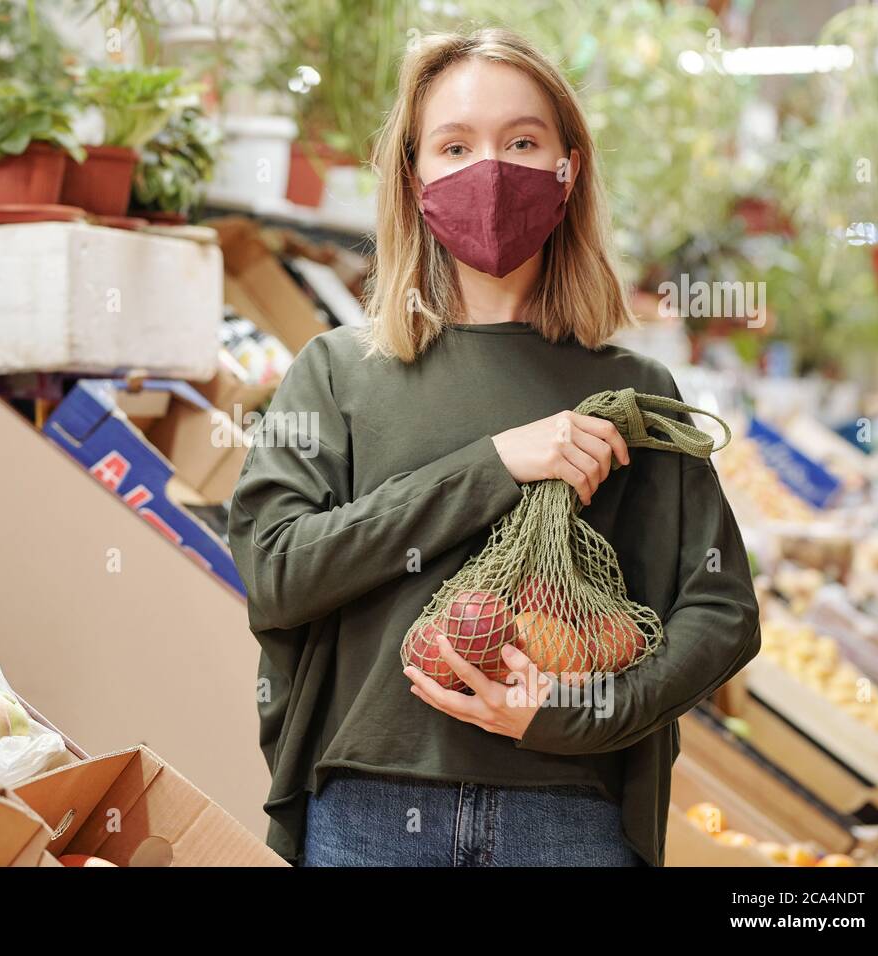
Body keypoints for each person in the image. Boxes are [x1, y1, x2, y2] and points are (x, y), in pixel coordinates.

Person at [226, 28, 760, 867]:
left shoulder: (632, 391)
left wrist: (585, 716)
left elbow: (722, 608)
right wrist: (495, 465)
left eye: (522, 142)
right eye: (455, 145)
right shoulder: (339, 373)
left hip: (568, 817)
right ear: (414, 177)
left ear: (568, 168)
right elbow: (278, 573)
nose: (491, 168)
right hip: (370, 809)